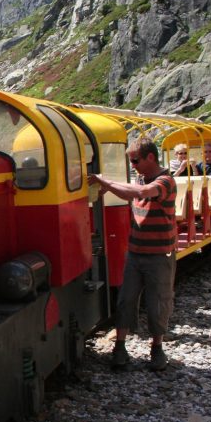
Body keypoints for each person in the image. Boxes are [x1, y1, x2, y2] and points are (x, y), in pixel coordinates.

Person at [88, 138, 177, 371]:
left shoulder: (165, 181)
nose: (133, 165)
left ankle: (157, 348)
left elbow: (142, 192)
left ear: (150, 157)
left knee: (158, 302)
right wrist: (105, 187)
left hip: (159, 255)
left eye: (135, 160)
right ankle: (120, 346)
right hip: (136, 253)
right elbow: (131, 192)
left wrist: (103, 180)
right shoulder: (139, 178)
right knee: (126, 299)